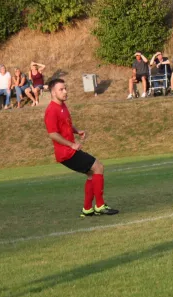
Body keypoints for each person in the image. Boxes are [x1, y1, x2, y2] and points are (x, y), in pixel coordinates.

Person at [44, 78, 119, 217]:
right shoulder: (51, 110)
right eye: (61, 89)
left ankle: (87, 209)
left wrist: (77, 131)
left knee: (91, 174)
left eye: (65, 88)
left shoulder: (62, 106)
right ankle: (100, 205)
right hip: (66, 153)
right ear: (53, 93)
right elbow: (53, 134)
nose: (65, 91)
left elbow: (65, 125)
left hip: (70, 151)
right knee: (98, 167)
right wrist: (72, 144)